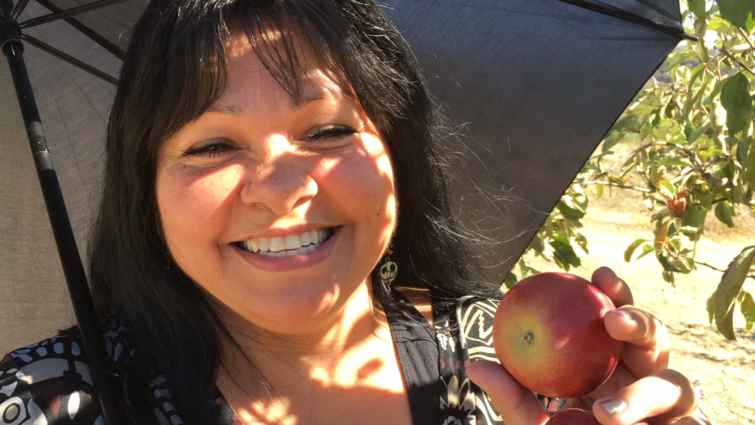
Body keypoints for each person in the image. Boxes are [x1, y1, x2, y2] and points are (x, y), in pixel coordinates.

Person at [0, 1, 709, 424]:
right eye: (213, 144)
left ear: (394, 149)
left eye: (329, 130)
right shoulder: (51, 402)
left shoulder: (500, 372)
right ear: (144, 187)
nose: (282, 188)